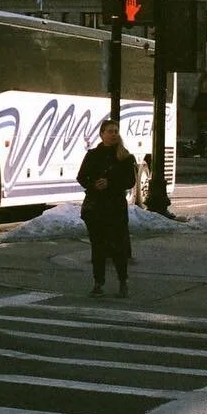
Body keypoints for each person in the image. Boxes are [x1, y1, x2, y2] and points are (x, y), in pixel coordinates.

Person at [77, 118, 137, 296]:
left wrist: (110, 183)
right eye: (110, 131)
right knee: (98, 247)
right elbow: (82, 177)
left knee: (118, 246)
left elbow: (130, 181)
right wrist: (94, 184)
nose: (113, 134)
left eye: (116, 131)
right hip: (96, 207)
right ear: (102, 134)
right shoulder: (93, 155)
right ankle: (98, 283)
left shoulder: (125, 157)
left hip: (115, 207)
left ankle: (123, 281)